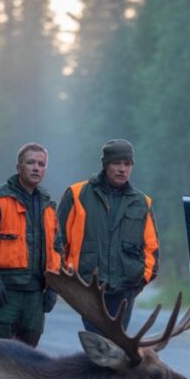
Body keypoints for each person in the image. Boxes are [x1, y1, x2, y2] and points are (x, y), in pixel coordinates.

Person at [57, 138, 159, 332]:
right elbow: (57, 243)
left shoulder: (142, 202)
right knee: (98, 346)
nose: (122, 169)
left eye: (127, 164)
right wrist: (68, 285)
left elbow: (152, 251)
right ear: (105, 165)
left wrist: (136, 285)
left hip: (124, 292)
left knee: (116, 350)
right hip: (88, 290)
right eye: (117, 163)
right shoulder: (77, 194)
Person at [0, 142, 61, 346]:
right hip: (5, 292)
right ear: (18, 167)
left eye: (41, 164)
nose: (36, 168)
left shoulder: (49, 205)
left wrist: (54, 289)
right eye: (30, 162)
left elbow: (57, 250)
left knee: (28, 359)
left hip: (36, 296)